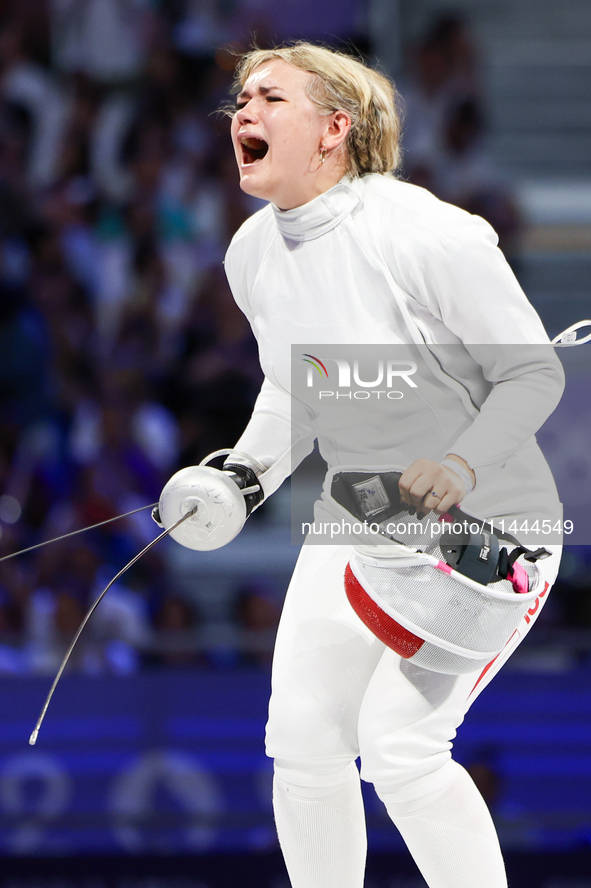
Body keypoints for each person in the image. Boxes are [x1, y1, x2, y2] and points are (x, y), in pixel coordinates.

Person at [217, 42, 564, 888]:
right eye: (238, 101)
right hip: (362, 511)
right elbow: (293, 390)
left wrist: (459, 463)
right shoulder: (252, 254)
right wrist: (241, 476)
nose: (243, 114)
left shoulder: (426, 234)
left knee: (401, 747)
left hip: (489, 528)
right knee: (301, 746)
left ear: (334, 128)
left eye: (269, 98)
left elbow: (533, 371)